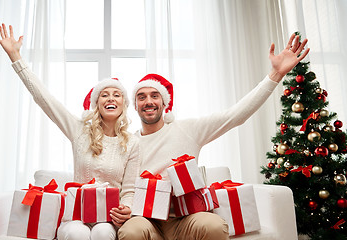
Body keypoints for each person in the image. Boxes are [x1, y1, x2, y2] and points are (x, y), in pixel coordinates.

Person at [117, 33, 310, 240]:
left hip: (186, 219)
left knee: (213, 225)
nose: (149, 101)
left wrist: (275, 75)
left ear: (165, 103)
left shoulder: (188, 130)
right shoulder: (127, 142)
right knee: (131, 231)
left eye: (155, 96)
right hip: (146, 220)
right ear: (135, 105)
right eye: (141, 97)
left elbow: (235, 115)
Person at [0, 23, 140, 240]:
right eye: (104, 94)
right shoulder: (80, 131)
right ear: (97, 103)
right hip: (75, 215)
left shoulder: (131, 143)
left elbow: (129, 189)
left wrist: (126, 207)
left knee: (102, 232)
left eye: (117, 94)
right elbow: (45, 100)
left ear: (123, 104)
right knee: (75, 232)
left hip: (107, 218)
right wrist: (16, 57)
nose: (110, 98)